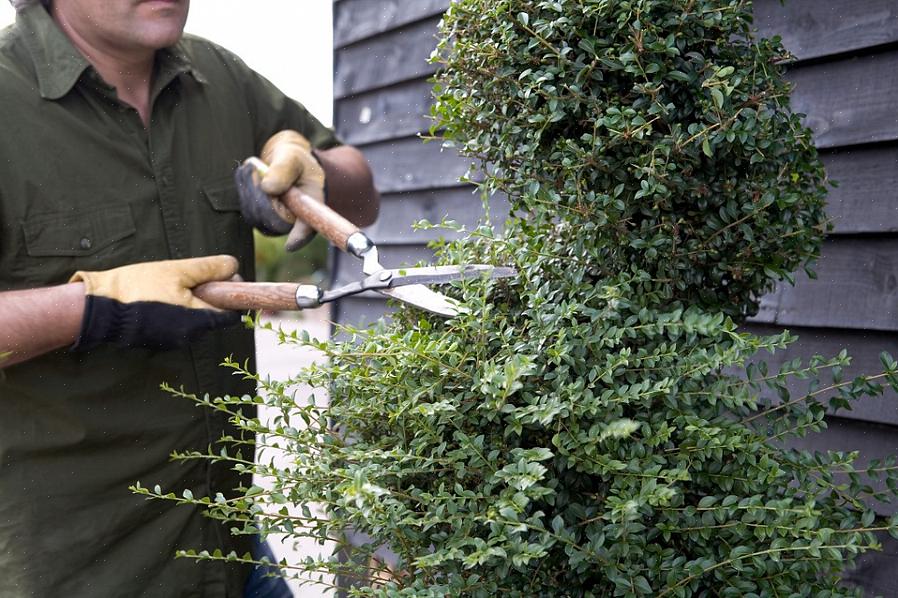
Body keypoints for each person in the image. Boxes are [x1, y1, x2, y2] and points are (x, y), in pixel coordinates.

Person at [0, 0, 379, 596]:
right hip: (75, 570)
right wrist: (96, 306)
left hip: (229, 547)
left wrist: (316, 174)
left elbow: (362, 197)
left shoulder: (218, 78)